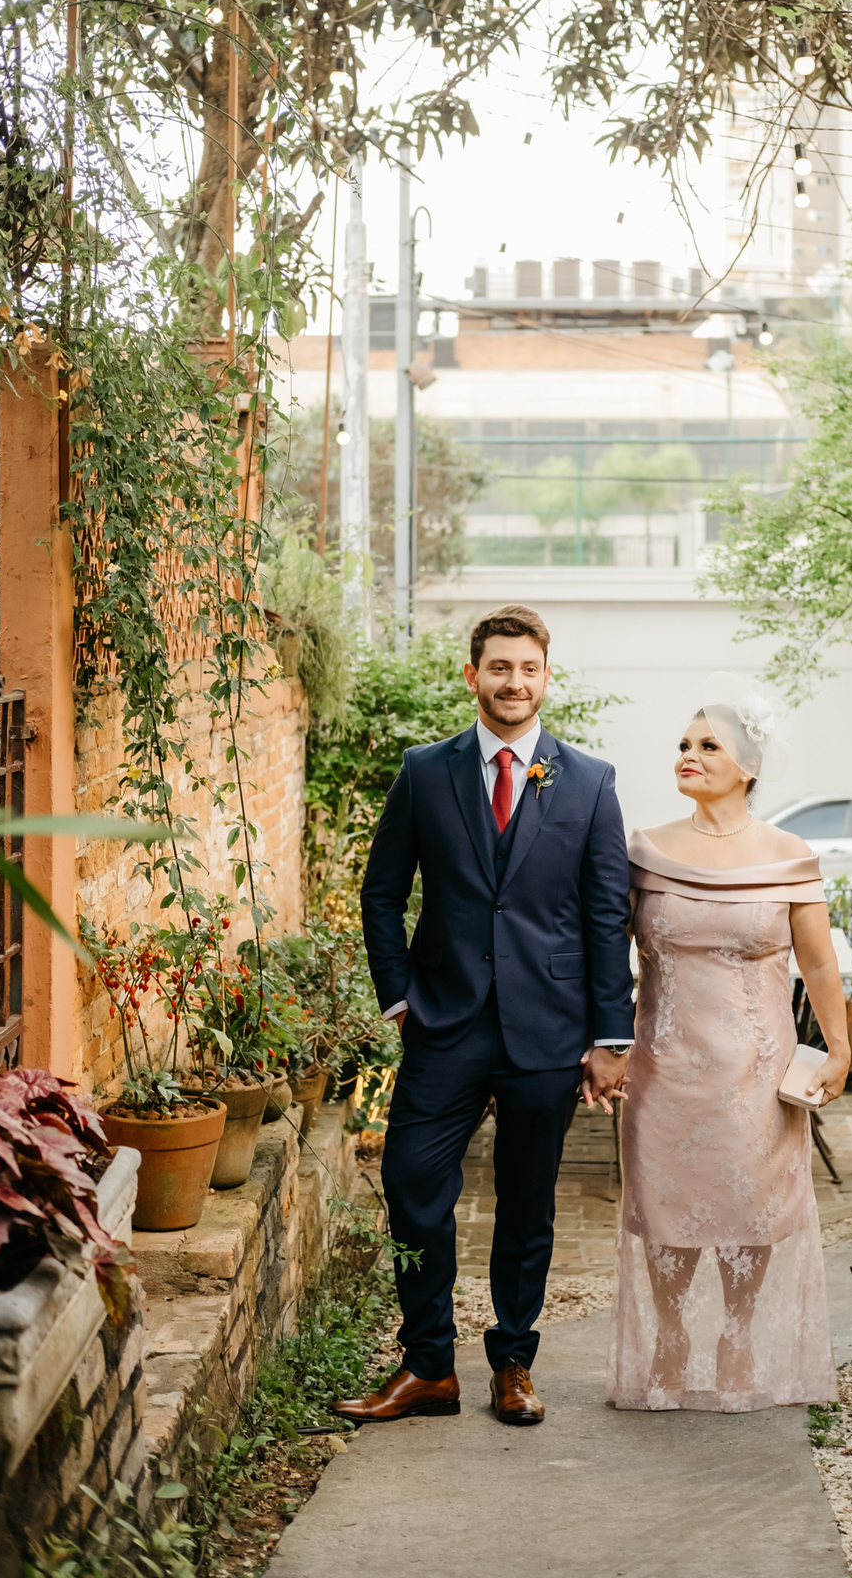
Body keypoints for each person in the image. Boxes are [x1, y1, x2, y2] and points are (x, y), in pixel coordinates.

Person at [335, 604, 635, 1428]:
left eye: (528, 668)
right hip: (444, 1022)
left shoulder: (590, 782)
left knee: (528, 1201)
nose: (514, 682)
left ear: (546, 677)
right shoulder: (426, 772)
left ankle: (512, 1363)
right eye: (499, 668)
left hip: (549, 1030)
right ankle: (429, 1365)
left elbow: (607, 916)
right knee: (411, 1181)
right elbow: (382, 893)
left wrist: (613, 1036)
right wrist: (398, 995)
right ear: (473, 677)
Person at [607, 672, 849, 1413]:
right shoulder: (644, 852)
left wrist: (838, 1049)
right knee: (666, 1209)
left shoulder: (789, 855)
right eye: (683, 744)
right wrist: (602, 1040)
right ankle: (672, 1335)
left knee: (752, 1212)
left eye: (708, 745)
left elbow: (817, 960)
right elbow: (599, 950)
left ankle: (737, 1335)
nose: (689, 754)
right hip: (665, 1069)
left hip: (756, 1073)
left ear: (746, 767)